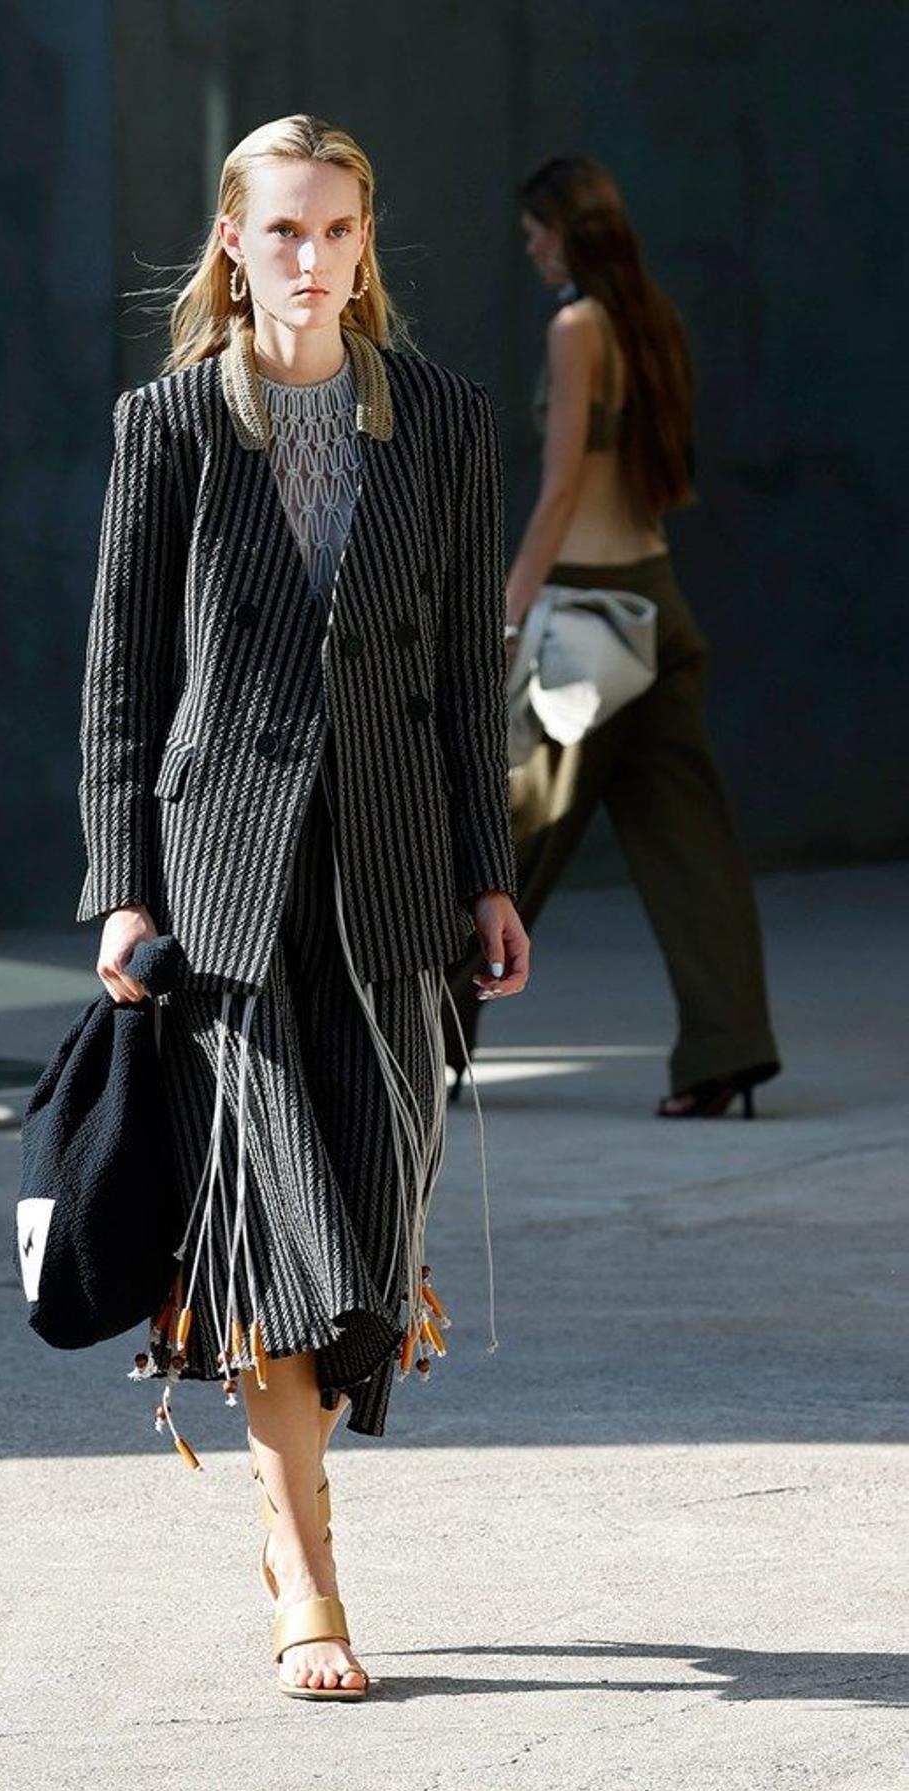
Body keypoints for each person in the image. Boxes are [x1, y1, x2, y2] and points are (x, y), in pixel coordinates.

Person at [76, 114, 529, 1700]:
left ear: (366, 241)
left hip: (398, 877)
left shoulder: (447, 420)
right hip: (229, 884)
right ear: (232, 241)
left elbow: (466, 671)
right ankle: (307, 1558)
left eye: (338, 230)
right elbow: (125, 679)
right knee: (281, 1232)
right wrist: (123, 888)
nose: (312, 259)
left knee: (374, 1239)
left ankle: (297, 1500)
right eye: (282, 229)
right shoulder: (170, 425)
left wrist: (491, 868)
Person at [445, 156, 779, 1119]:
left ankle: (423, 1040)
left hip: (587, 625)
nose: (532, 251)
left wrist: (505, 616)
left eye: (536, 234)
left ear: (568, 231)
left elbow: (558, 494)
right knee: (691, 845)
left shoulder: (576, 327)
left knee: (508, 830)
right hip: (655, 604)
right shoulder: (652, 319)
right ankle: (727, 1055)